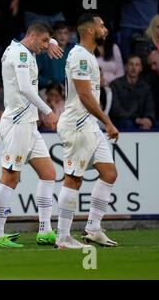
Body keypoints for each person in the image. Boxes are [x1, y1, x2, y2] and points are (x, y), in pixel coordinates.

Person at [0, 23, 58, 248]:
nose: (46, 46)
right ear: (32, 36)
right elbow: (25, 88)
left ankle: (45, 230)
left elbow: (41, 44)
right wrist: (48, 110)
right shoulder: (19, 54)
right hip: (18, 123)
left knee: (48, 173)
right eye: (45, 41)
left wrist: (52, 42)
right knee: (10, 178)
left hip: (28, 124)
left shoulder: (23, 51)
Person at [56, 13, 119, 249]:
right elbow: (84, 95)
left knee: (109, 173)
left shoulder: (88, 56)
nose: (105, 29)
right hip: (77, 125)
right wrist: (108, 121)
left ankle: (93, 229)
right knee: (73, 178)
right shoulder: (79, 56)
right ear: (90, 30)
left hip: (89, 125)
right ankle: (63, 237)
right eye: (101, 25)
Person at [109, 54, 155, 130]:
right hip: (122, 121)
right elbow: (115, 110)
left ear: (141, 68)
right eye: (131, 64)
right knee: (128, 123)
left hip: (141, 121)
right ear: (126, 67)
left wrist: (148, 119)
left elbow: (150, 108)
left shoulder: (146, 87)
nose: (134, 68)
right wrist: (136, 120)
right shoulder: (116, 85)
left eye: (137, 65)